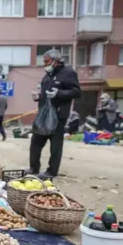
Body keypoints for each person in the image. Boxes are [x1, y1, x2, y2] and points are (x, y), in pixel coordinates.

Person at [30, 49, 81, 179]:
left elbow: (76, 92)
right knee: (36, 141)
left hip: (58, 115)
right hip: (43, 114)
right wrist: (38, 96)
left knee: (55, 145)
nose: (44, 64)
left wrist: (59, 93)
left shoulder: (68, 73)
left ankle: (51, 171)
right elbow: (45, 94)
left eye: (46, 61)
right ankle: (33, 168)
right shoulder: (47, 76)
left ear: (56, 61)